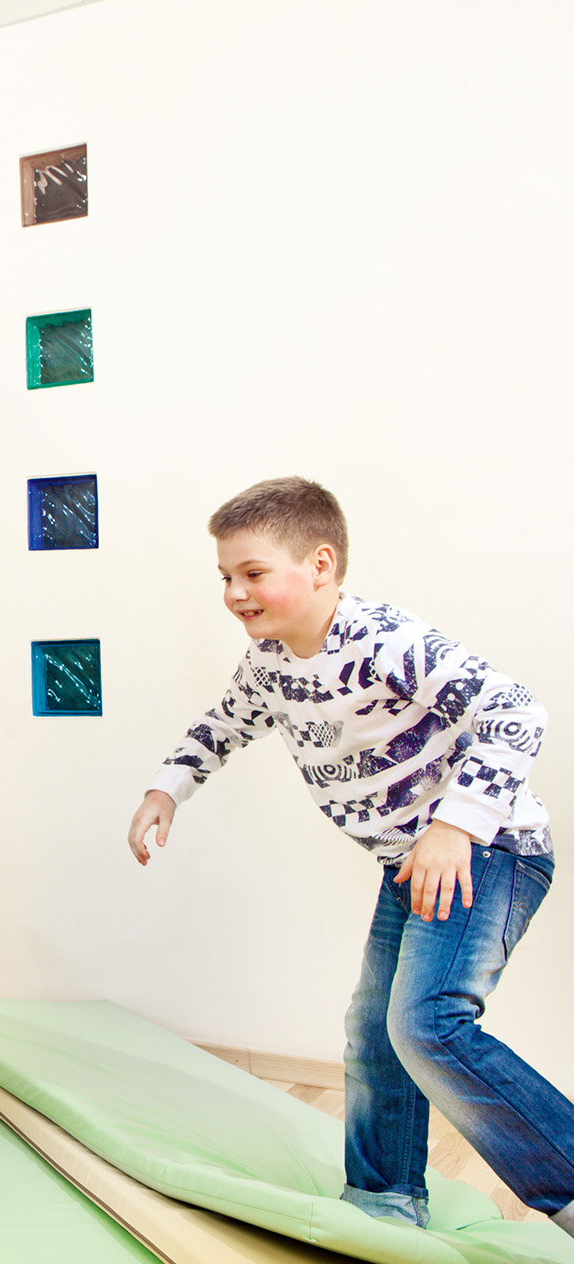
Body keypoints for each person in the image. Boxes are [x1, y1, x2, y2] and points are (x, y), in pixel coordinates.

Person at [127, 476, 573, 1235]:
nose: (234, 593)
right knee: (373, 1030)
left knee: (427, 1025)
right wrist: (167, 789)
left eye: (253, 573)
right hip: (412, 866)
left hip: (489, 848)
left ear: (321, 564)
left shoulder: (383, 639)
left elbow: (514, 709)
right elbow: (222, 725)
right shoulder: (270, 662)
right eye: (225, 578)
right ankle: (383, 1197)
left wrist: (456, 825)